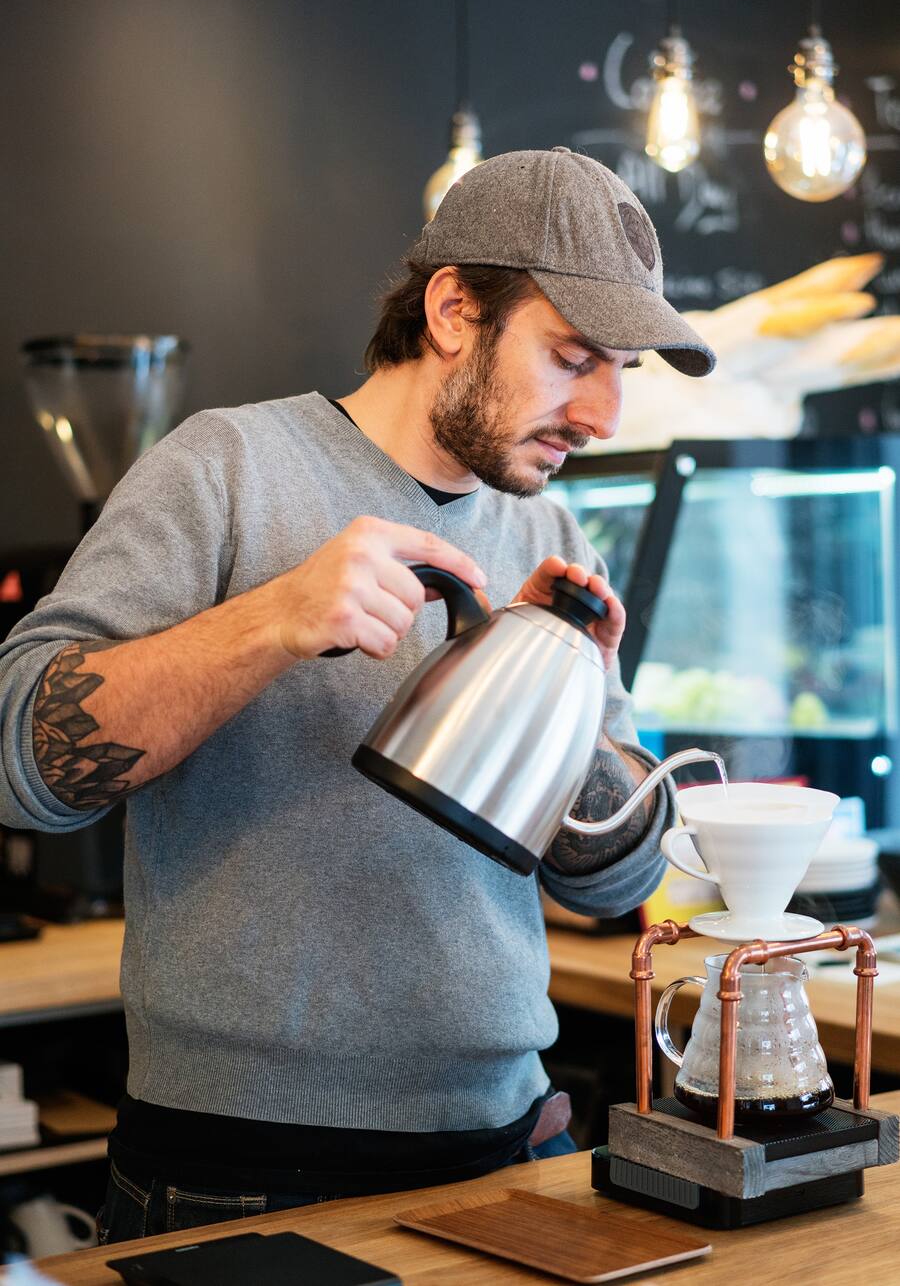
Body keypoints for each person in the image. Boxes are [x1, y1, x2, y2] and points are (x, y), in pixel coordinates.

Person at [0, 147, 714, 1242]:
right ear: (453, 312)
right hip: (240, 1172)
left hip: (512, 1143)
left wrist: (564, 701)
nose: (605, 414)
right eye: (573, 358)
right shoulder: (226, 469)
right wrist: (274, 619)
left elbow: (613, 881)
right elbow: (21, 760)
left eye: (622, 369)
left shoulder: (550, 531)